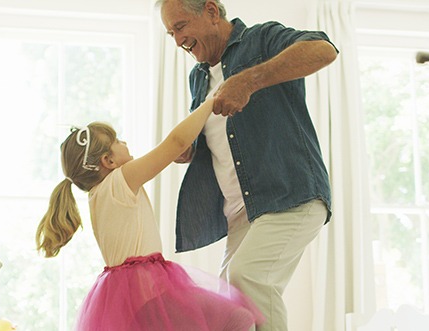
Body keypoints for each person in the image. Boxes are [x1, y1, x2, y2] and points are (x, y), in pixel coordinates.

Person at [157, 0, 339, 330]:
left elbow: (323, 50)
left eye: (181, 27)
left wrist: (249, 80)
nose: (177, 40)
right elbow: (223, 136)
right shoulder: (198, 79)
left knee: (248, 276)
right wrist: (192, 150)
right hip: (241, 212)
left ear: (211, 11)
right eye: (171, 33)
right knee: (229, 306)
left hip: (289, 194)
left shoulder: (261, 39)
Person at [36, 97, 263, 331]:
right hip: (150, 291)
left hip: (130, 298)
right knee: (238, 317)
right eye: (116, 140)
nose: (123, 141)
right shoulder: (121, 178)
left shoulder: (96, 196)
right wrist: (211, 102)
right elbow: (176, 142)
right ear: (108, 160)